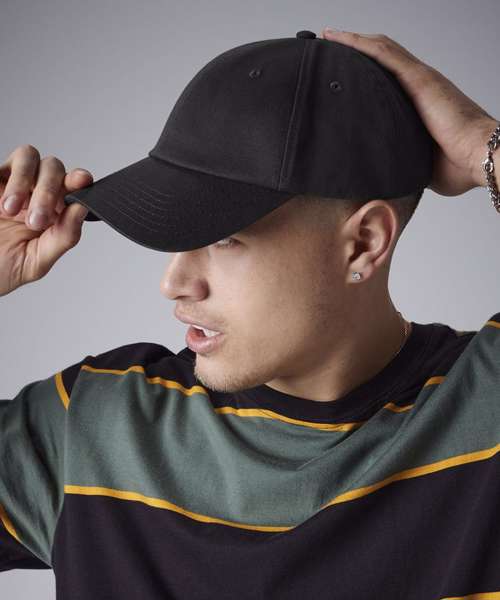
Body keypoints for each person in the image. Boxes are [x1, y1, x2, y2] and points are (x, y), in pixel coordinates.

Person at [0, 27, 498, 600]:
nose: (174, 283)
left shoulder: (484, 407)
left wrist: (484, 146)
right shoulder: (95, 429)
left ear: (364, 243)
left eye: (225, 238)